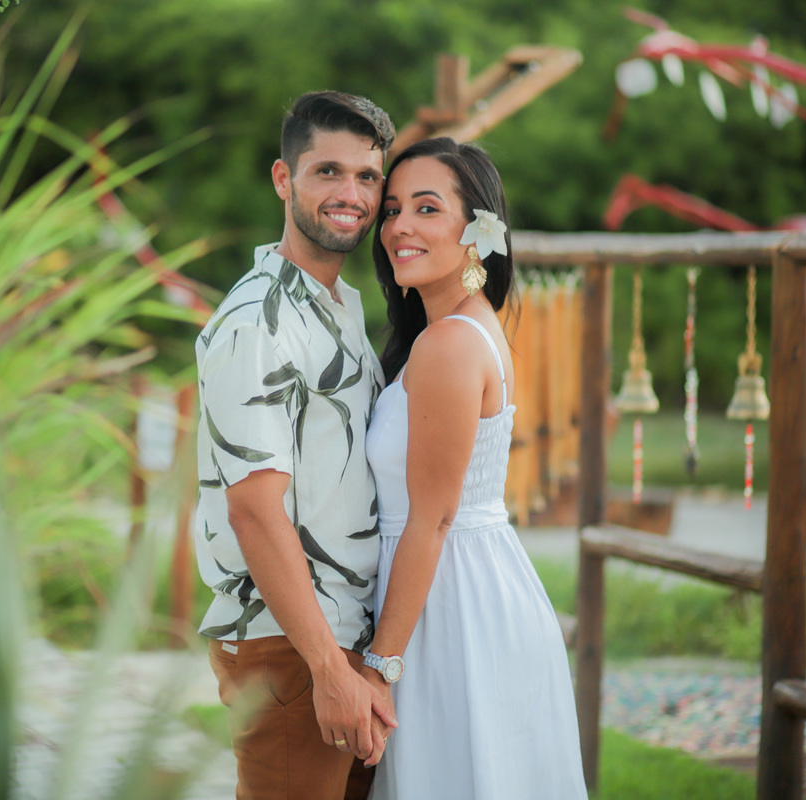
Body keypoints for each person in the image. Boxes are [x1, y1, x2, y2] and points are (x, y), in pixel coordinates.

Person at [362, 137, 588, 798]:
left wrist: (380, 667)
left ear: (477, 231)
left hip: (447, 609)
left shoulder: (451, 345)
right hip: (461, 589)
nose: (399, 225)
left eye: (427, 209)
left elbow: (431, 520)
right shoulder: (461, 328)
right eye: (394, 208)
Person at [194, 90, 398, 800]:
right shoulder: (259, 322)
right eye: (327, 172)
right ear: (284, 179)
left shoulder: (338, 306)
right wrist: (329, 669)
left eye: (367, 177)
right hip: (291, 644)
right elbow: (255, 510)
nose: (350, 194)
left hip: (339, 638)